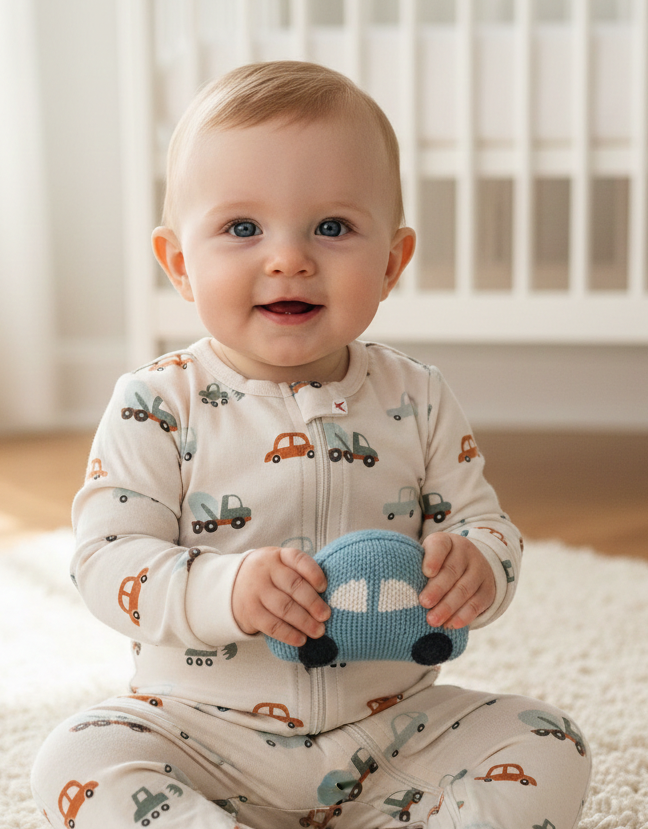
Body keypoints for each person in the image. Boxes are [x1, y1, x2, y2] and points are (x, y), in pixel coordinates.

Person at [32, 61, 590, 829]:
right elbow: (106, 561)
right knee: (73, 759)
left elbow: (483, 522)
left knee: (551, 741)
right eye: (242, 228)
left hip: (392, 729)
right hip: (204, 732)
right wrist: (226, 591)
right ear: (179, 264)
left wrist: (478, 565)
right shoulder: (156, 403)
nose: (288, 257)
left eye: (332, 227)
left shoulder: (417, 395)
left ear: (391, 262)